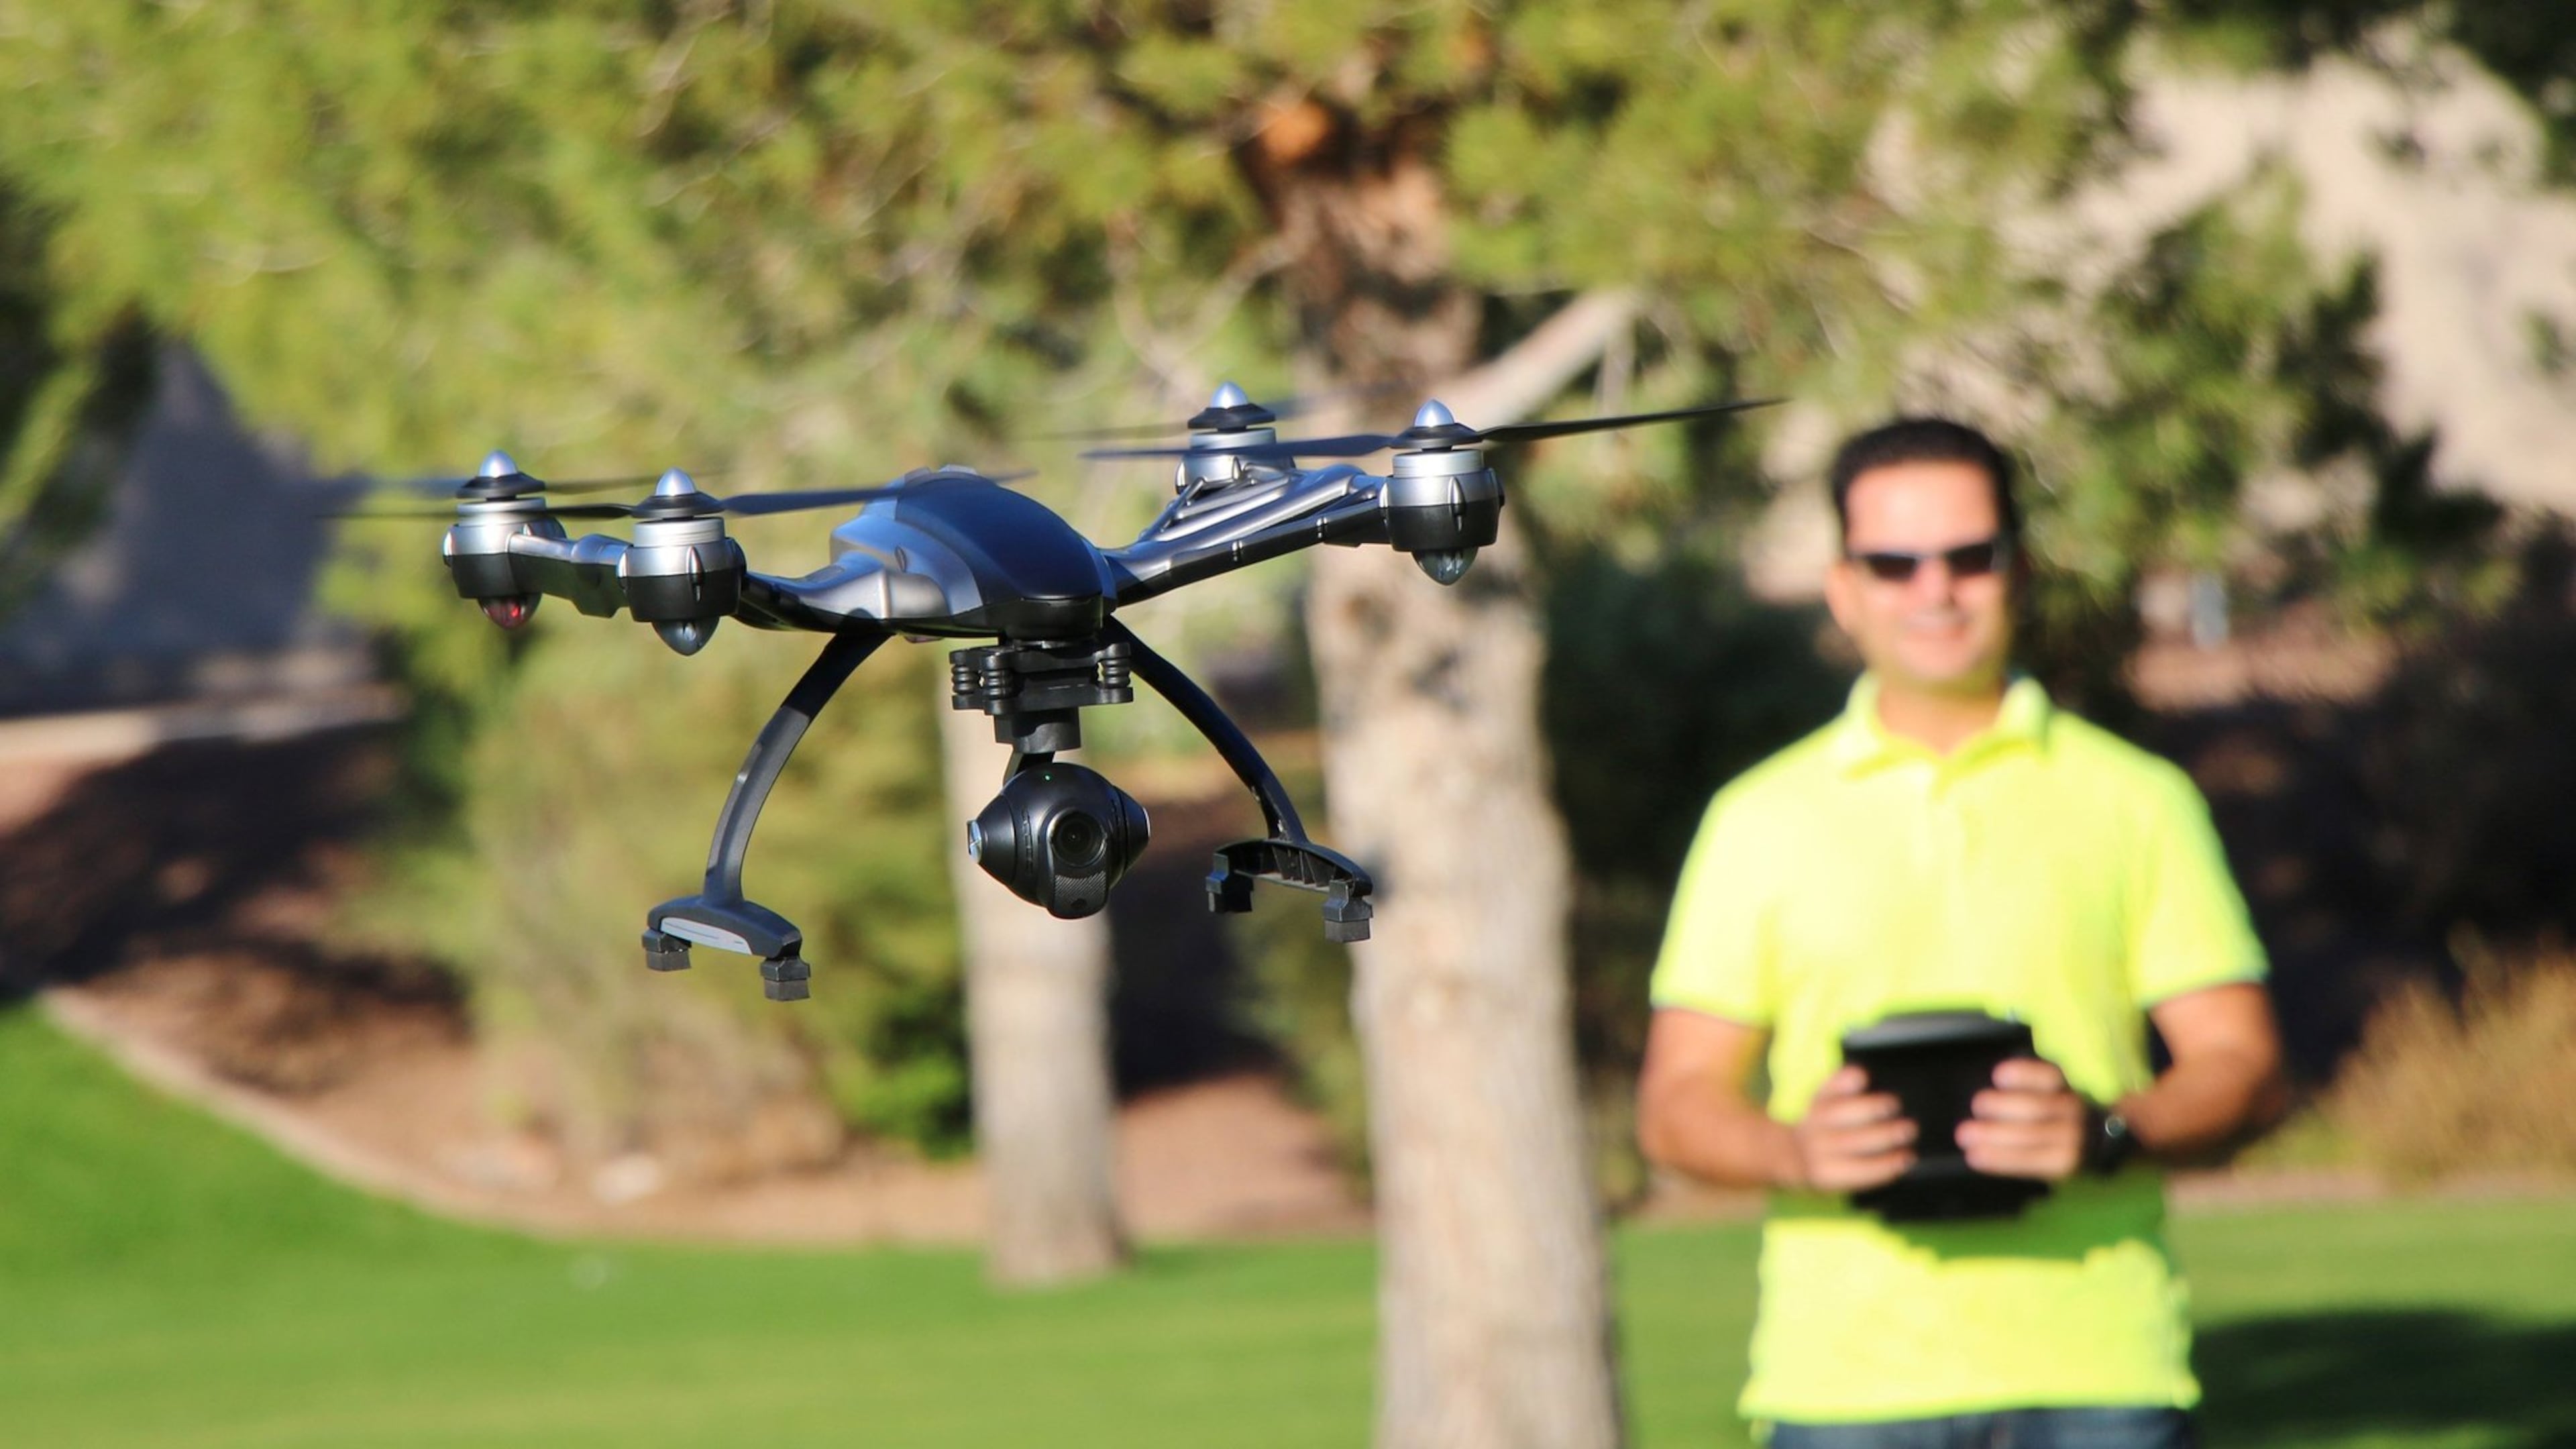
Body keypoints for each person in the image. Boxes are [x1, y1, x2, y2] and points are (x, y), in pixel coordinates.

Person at [1636, 418, 2288, 1449]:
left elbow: (2243, 1065)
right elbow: (1675, 1108)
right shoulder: (1756, 818)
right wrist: (1799, 1150)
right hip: (1841, 1393)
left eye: (1967, 558)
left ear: (2019, 572)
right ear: (1843, 588)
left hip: (2102, 1380)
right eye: (1894, 564)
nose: (1933, 591)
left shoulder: (2138, 801)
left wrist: (2108, 1133)